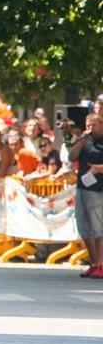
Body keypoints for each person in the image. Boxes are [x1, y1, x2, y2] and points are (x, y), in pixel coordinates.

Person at [69, 113, 103, 278]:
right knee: (84, 227)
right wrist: (81, 140)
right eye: (88, 125)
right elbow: (71, 157)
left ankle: (101, 264)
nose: (90, 129)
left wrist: (99, 168)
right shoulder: (86, 141)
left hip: (98, 189)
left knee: (99, 229)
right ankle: (94, 261)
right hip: (83, 187)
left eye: (94, 125)